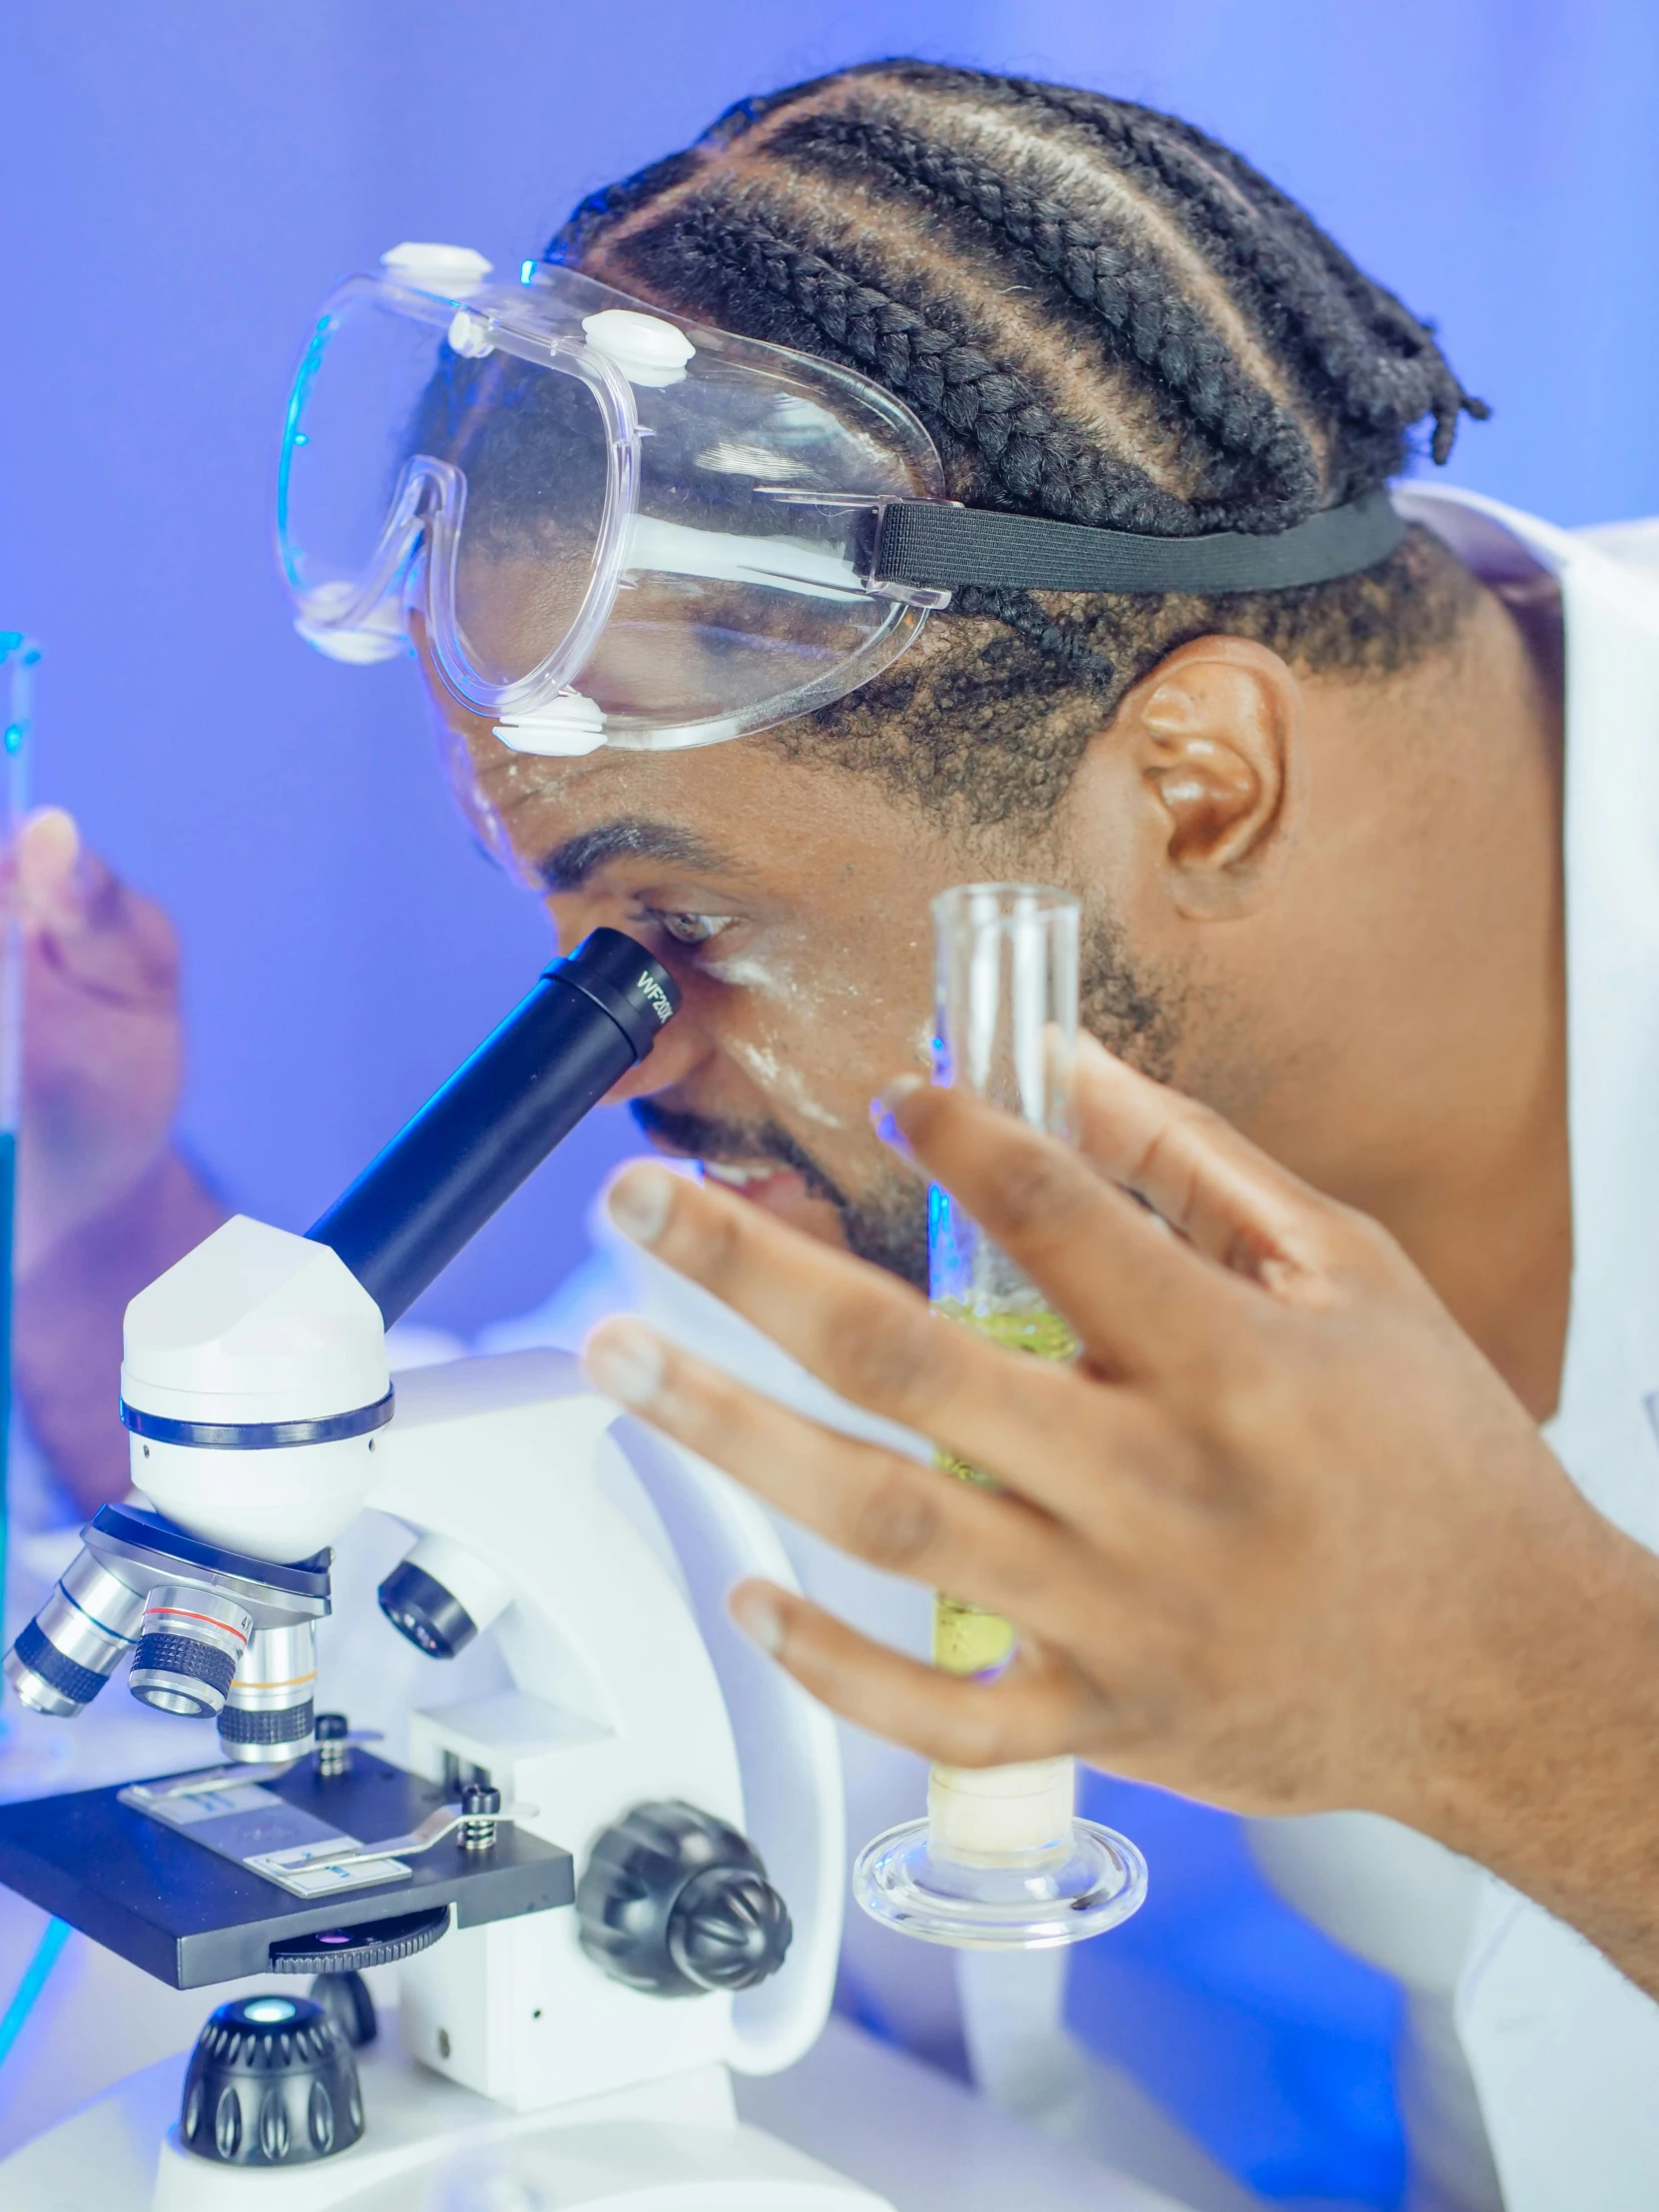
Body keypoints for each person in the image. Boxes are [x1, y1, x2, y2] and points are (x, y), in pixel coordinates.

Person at [10, 56, 1659, 2212]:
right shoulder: (911, 1148)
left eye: (672, 924)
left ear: (1203, 785)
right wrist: (85, 1208)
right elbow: (498, 1551)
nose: (616, 1055)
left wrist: (1523, 1706)